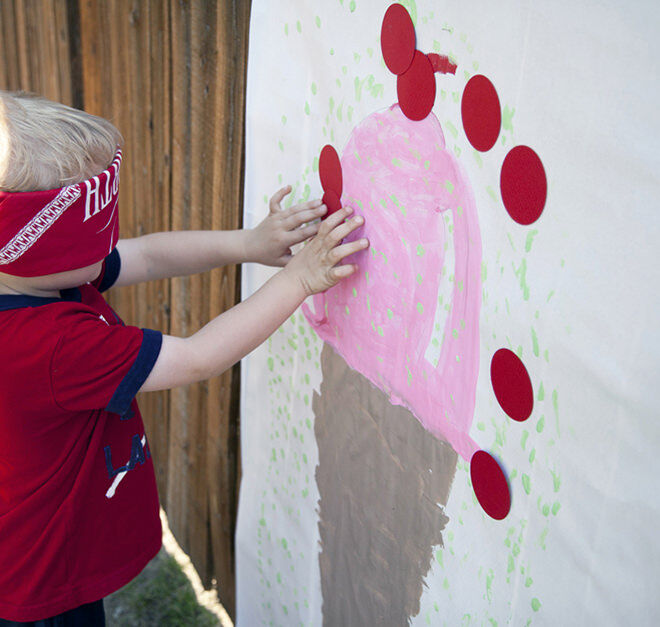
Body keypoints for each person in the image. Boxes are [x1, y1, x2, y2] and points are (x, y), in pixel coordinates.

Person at [0, 90, 368, 626]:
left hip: (37, 552)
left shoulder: (29, 277)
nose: (103, 256)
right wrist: (300, 279)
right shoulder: (48, 345)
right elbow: (197, 358)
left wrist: (249, 243)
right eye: (88, 248)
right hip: (43, 583)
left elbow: (146, 253)